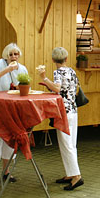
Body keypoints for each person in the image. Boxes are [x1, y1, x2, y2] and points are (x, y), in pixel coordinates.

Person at [38, 47, 83, 190]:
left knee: (65, 143)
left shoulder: (58, 72)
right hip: (73, 110)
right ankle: (70, 173)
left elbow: (57, 88)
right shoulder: (72, 71)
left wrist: (44, 78)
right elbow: (71, 88)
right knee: (71, 143)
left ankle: (76, 176)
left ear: (53, 60)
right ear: (66, 59)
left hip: (63, 112)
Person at [0, 43, 28, 189]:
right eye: (11, 54)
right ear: (6, 55)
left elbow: (24, 85)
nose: (13, 57)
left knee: (10, 141)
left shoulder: (22, 69)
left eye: (16, 54)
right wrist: (5, 71)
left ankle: (6, 172)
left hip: (11, 109)